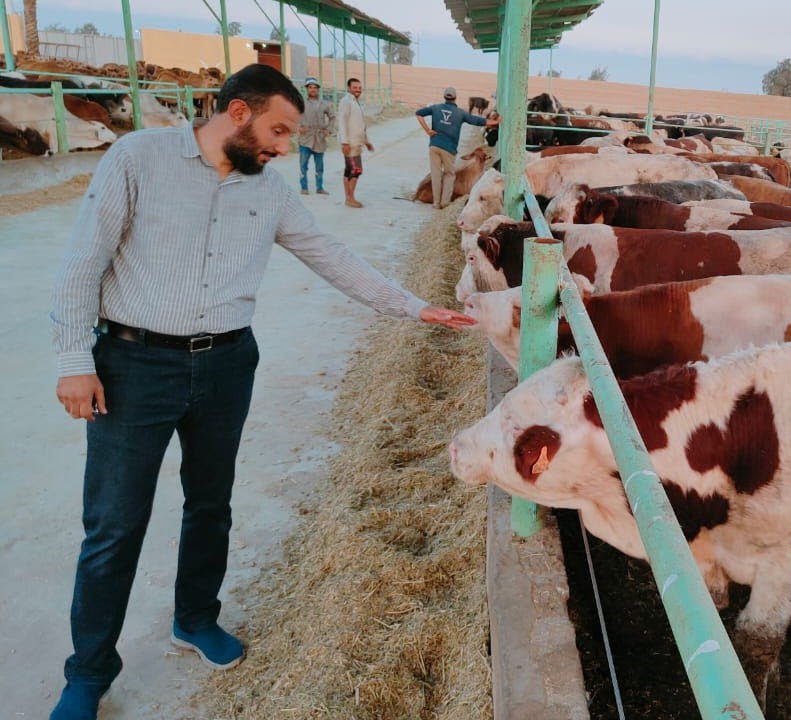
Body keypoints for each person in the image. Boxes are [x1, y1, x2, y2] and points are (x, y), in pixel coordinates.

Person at [47, 63, 475, 720]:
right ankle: (89, 671)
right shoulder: (138, 158)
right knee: (114, 524)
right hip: (133, 366)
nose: (283, 147)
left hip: (226, 364)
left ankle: (194, 618)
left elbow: (330, 255)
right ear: (238, 112)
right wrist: (75, 358)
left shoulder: (268, 192)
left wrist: (416, 308)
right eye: (278, 131)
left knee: (210, 504)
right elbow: (84, 261)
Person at [415, 86, 499, 209]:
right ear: (455, 98)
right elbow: (477, 121)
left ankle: (436, 203)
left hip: (434, 146)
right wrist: (496, 123)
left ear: (444, 97)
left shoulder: (435, 108)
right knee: (449, 174)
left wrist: (427, 130)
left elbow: (418, 113)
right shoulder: (460, 113)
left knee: (436, 174)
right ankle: (445, 202)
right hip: (448, 149)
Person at [337, 77, 372, 208]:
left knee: (349, 170)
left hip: (357, 143)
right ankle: (350, 198)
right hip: (350, 143)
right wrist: (344, 142)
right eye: (355, 88)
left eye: (359, 88)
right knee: (356, 170)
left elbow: (360, 125)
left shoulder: (356, 103)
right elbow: (342, 121)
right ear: (348, 88)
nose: (357, 90)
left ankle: (349, 197)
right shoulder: (346, 101)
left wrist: (367, 141)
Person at [297, 76, 333, 195]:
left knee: (319, 166)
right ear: (307, 89)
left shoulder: (324, 104)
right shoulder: (301, 103)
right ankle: (304, 187)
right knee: (303, 165)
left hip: (319, 137)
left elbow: (332, 117)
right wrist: (298, 127)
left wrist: (329, 129)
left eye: (315, 88)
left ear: (318, 89)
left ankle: (319, 187)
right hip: (305, 138)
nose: (312, 90)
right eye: (310, 87)